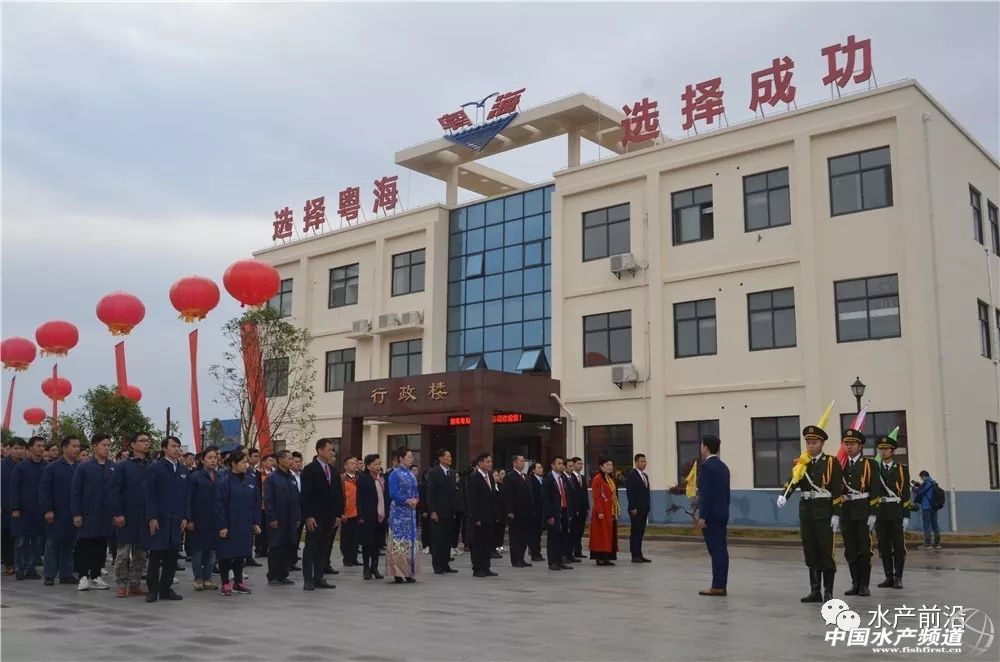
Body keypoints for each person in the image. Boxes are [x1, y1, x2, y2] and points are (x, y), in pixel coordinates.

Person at [776, 423, 843, 602]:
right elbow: (792, 482)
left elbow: (837, 489)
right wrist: (784, 495)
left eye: (814, 443)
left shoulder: (831, 462)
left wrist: (836, 513)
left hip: (824, 513)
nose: (811, 446)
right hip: (807, 513)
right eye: (808, 443)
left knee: (826, 552)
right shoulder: (802, 462)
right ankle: (815, 591)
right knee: (810, 551)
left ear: (821, 444)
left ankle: (828, 591)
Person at [142, 436, 189, 602]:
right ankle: (153, 589)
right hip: (160, 518)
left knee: (172, 555)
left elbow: (186, 495)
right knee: (156, 554)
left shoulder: (183, 470)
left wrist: (186, 516)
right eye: (173, 446)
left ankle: (166, 589)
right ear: (164, 449)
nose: (176, 449)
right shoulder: (155, 468)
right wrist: (152, 517)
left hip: (176, 518)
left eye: (178, 446)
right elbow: (149, 495)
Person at [109, 432, 151, 597]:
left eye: (148, 441)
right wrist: (117, 513)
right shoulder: (122, 466)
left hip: (145, 516)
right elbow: (114, 491)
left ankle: (135, 583)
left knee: (141, 553)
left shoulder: (151, 466)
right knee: (123, 553)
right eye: (142, 441)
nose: (146, 443)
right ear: (133, 445)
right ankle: (121, 583)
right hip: (126, 515)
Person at [70, 434, 113, 590]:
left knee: (101, 544)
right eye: (103, 445)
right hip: (87, 513)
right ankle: (83, 576)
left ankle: (96, 576)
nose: (106, 448)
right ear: (94, 446)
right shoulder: (84, 466)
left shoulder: (113, 467)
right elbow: (76, 491)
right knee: (85, 544)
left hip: (106, 514)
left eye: (108, 445)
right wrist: (77, 513)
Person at [215, 448, 260, 596]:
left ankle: (238, 582)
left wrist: (256, 522)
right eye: (242, 462)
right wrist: (222, 526)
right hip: (230, 524)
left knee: (241, 554)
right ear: (233, 464)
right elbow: (219, 505)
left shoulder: (250, 480)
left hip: (245, 524)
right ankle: (225, 583)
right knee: (226, 555)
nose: (245, 465)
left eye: (246, 462)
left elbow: (255, 502)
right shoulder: (225, 481)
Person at [838, 428, 877, 597]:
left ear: (860, 446)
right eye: (846, 444)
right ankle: (855, 583)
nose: (849, 447)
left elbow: (875, 489)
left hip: (863, 511)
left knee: (864, 549)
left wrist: (873, 513)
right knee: (850, 550)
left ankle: (864, 585)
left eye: (852, 444)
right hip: (846, 512)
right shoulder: (840, 464)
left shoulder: (870, 464)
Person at [300, 438, 343, 590]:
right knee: (311, 547)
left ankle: (318, 577)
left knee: (323, 548)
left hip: (329, 516)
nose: (332, 453)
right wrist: (308, 516)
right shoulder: (310, 469)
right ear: (320, 451)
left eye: (332, 450)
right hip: (315, 516)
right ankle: (308, 579)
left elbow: (338, 494)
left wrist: (338, 514)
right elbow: (305, 495)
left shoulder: (333, 470)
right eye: (329, 450)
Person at [38, 436, 80, 586]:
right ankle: (49, 575)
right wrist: (47, 509)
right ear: (65, 448)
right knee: (52, 543)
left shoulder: (80, 467)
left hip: (74, 512)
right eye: (74, 446)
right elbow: (44, 490)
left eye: (78, 446)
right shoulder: (53, 467)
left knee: (70, 543)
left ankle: (66, 574)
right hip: (56, 512)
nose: (77, 449)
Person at [695, 434, 730, 596]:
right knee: (721, 550)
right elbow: (726, 494)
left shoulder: (706, 467)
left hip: (711, 516)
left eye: (701, 445)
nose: (701, 448)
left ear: (706, 447)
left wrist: (702, 516)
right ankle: (721, 584)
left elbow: (706, 494)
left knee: (716, 551)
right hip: (722, 513)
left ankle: (717, 586)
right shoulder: (723, 467)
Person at [873, 433, 910, 589]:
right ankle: (888, 576)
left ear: (892, 451)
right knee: (884, 546)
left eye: (886, 449)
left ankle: (898, 577)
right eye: (881, 449)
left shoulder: (901, 469)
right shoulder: (874, 469)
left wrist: (906, 515)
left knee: (899, 547)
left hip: (896, 512)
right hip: (880, 512)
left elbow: (906, 493)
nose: (883, 452)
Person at [10, 436, 46, 580]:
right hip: (23, 511)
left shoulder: (47, 466)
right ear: (30, 448)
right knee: (21, 541)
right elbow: (14, 488)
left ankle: (31, 569)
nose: (41, 448)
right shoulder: (21, 467)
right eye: (38, 445)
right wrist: (15, 507)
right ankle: (20, 568)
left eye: (43, 446)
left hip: (40, 511)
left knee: (36, 542)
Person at [264, 449, 300, 586]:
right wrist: (272, 518)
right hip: (278, 518)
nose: (291, 461)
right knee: (276, 547)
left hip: (291, 518)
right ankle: (273, 575)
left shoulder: (291, 477)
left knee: (288, 546)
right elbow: (268, 500)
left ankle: (283, 574)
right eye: (289, 458)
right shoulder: (272, 478)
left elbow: (296, 499)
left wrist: (297, 516)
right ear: (280, 460)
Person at [186, 446, 219, 592]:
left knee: (211, 551)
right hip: (198, 519)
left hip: (215, 520)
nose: (213, 460)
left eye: (215, 458)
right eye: (209, 458)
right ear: (202, 460)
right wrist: (189, 519)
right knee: (198, 551)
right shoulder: (195, 477)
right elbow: (189, 499)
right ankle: (198, 578)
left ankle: (208, 578)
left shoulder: (220, 477)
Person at [387, 447, 420, 583]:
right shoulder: (394, 474)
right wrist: (406, 500)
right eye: (409, 457)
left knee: (410, 541)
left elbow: (416, 492)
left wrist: (416, 500)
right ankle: (397, 573)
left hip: (411, 512)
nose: (411, 459)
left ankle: (409, 572)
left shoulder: (412, 475)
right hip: (399, 512)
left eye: (412, 457)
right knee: (399, 541)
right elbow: (393, 493)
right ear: (401, 458)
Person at [425, 449, 459, 574]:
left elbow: (453, 493)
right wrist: (433, 511)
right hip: (438, 512)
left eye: (450, 456)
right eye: (447, 456)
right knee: (438, 540)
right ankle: (437, 565)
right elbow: (430, 494)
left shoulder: (452, 472)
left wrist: (455, 509)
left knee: (447, 539)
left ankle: (445, 564)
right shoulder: (434, 473)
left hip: (449, 512)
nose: (450, 458)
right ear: (440, 458)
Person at [465, 452, 497, 577]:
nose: (490, 464)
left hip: (489, 516)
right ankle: (477, 568)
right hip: (479, 517)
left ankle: (486, 567)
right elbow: (472, 500)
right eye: (487, 461)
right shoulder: (474, 478)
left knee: (487, 543)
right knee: (478, 544)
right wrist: (475, 517)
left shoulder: (490, 477)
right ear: (480, 463)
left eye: (490, 461)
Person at [356, 453, 387, 580]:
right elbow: (359, 498)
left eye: (379, 464)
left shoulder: (381, 478)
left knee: (377, 543)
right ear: (368, 466)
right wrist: (360, 515)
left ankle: (375, 567)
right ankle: (366, 568)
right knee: (367, 544)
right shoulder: (364, 478)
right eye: (375, 464)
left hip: (380, 516)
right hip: (368, 515)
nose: (378, 466)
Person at [503, 454, 534, 568]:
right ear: (514, 463)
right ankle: (516, 559)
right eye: (521, 461)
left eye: (524, 461)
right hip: (516, 513)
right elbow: (508, 495)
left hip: (527, 512)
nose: (523, 463)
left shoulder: (525, 476)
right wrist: (510, 511)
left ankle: (521, 558)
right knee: (516, 537)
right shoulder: (510, 476)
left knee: (524, 536)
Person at [542, 456, 573, 571]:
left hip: (564, 510)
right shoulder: (548, 479)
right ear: (553, 465)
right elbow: (545, 499)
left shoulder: (563, 478)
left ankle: (560, 560)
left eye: (562, 463)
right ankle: (553, 562)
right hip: (554, 512)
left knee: (563, 536)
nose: (561, 466)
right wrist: (549, 515)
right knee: (553, 537)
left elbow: (568, 495)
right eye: (559, 463)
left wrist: (569, 512)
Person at [589, 456, 620, 567]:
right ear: (601, 466)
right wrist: (600, 511)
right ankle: (600, 558)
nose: (610, 467)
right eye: (608, 465)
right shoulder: (597, 478)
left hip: (610, 510)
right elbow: (596, 496)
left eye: (611, 465)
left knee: (609, 534)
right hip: (602, 511)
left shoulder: (610, 478)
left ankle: (607, 556)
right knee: (601, 535)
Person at [1, 438, 26, 575]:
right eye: (16, 448)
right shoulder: (2, 465)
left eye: (21, 448)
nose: (19, 451)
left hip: (23, 508)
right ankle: (9, 564)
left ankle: (21, 564)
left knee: (21, 538)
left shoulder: (26, 464)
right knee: (7, 537)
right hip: (5, 507)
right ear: (9, 449)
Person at [625, 453, 652, 563]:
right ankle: (634, 555)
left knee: (641, 532)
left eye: (645, 461)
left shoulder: (645, 476)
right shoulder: (632, 475)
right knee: (635, 532)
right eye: (642, 461)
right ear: (636, 462)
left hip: (644, 509)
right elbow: (630, 493)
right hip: (635, 509)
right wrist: (633, 507)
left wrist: (647, 507)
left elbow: (646, 493)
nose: (644, 463)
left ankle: (640, 554)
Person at [912, 470, 942, 549]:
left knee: (926, 525)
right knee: (935, 525)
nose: (921, 479)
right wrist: (920, 485)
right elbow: (926, 490)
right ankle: (937, 543)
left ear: (924, 476)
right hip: (934, 507)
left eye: (921, 477)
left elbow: (919, 492)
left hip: (926, 507)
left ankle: (928, 544)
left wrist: (913, 488)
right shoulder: (934, 483)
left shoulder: (926, 483)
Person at [340, 456, 360, 567]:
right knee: (346, 537)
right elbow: (340, 496)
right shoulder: (342, 479)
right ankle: (346, 558)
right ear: (346, 466)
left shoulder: (359, 478)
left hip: (357, 512)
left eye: (355, 463)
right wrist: (341, 512)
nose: (354, 465)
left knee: (355, 537)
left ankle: (354, 557)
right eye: (351, 463)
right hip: (347, 513)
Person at [568, 457, 589, 561]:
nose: (580, 466)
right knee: (574, 531)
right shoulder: (570, 478)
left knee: (580, 530)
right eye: (578, 464)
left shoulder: (582, 478)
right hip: (574, 509)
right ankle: (570, 552)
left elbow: (585, 493)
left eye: (582, 464)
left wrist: (587, 507)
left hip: (583, 509)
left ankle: (578, 551)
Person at [527, 462, 545, 562]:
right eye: (538, 468)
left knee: (538, 533)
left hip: (541, 510)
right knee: (533, 533)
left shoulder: (542, 480)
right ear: (533, 470)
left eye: (541, 467)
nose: (541, 469)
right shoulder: (531, 480)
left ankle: (538, 552)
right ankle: (534, 553)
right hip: (534, 510)